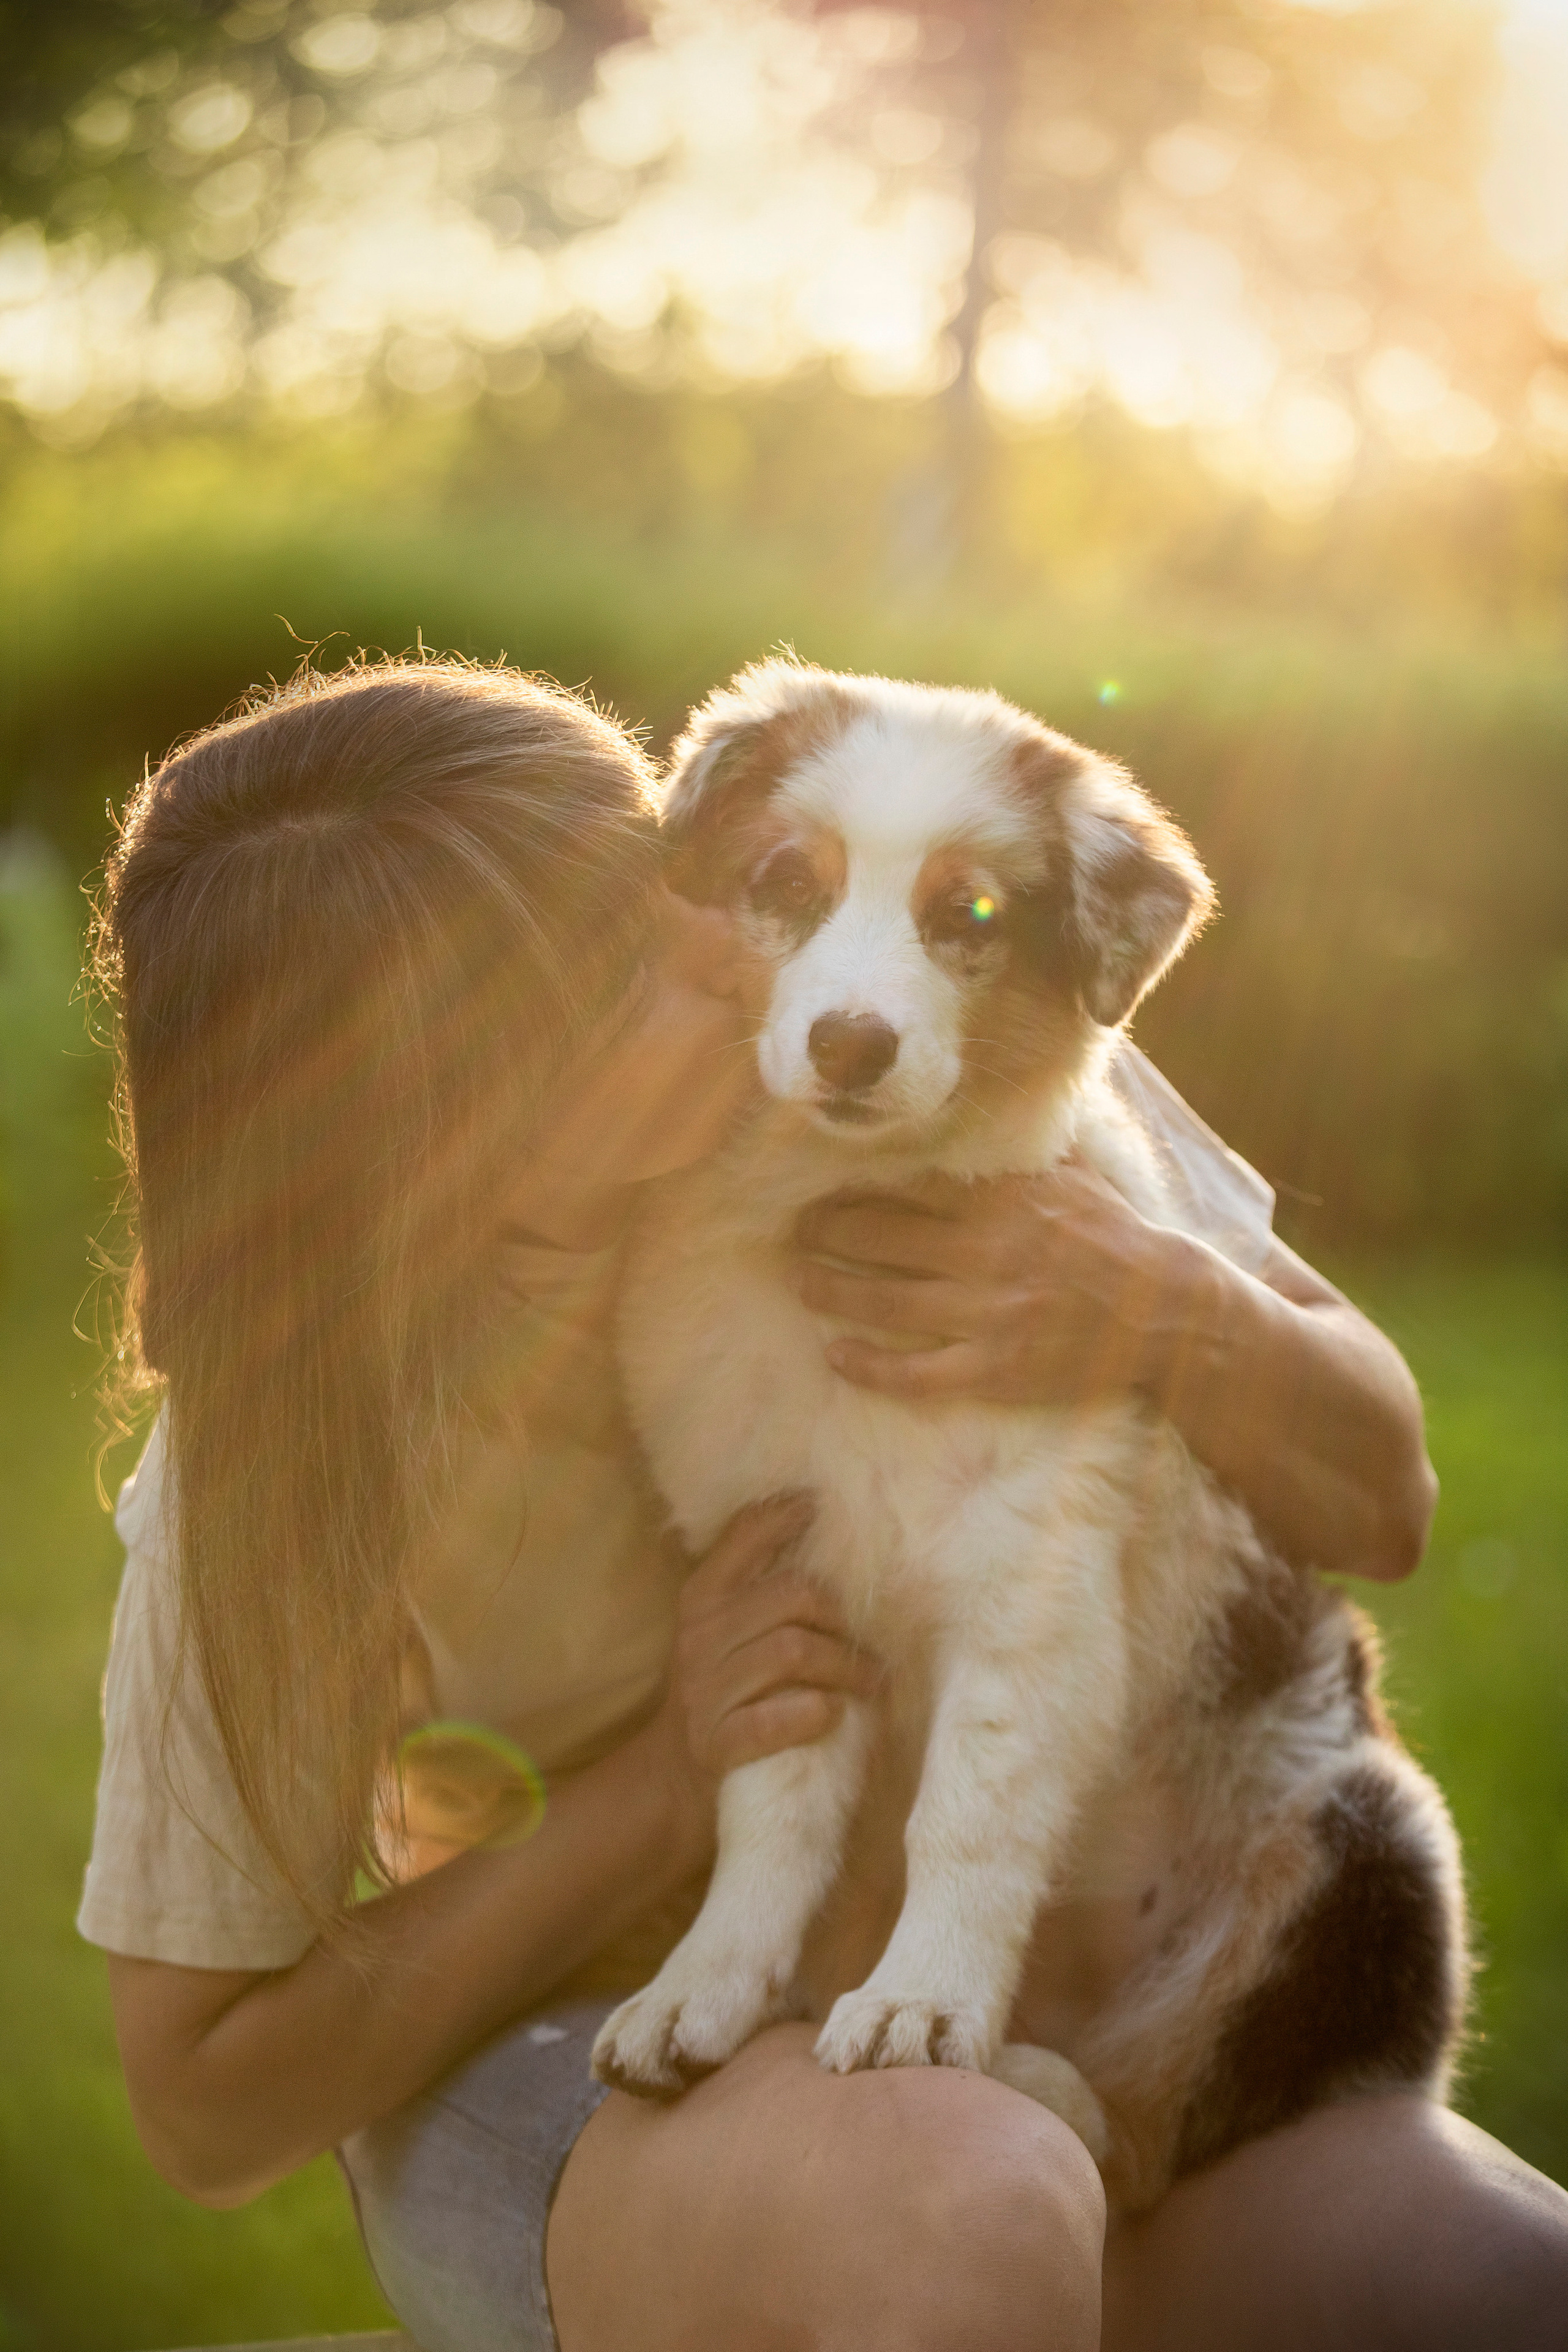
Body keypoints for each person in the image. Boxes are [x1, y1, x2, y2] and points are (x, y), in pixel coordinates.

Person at [81, 655, 1568, 2352]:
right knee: (974, 2208)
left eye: (665, 880)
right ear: (436, 1110)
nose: (735, 952)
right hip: (575, 2043)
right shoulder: (286, 1443)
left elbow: (1384, 1497)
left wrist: (1162, 1306)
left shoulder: (893, 1029)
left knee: (1513, 2295)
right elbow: (203, 2104)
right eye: (617, 964)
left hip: (1066, 1997)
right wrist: (664, 1784)